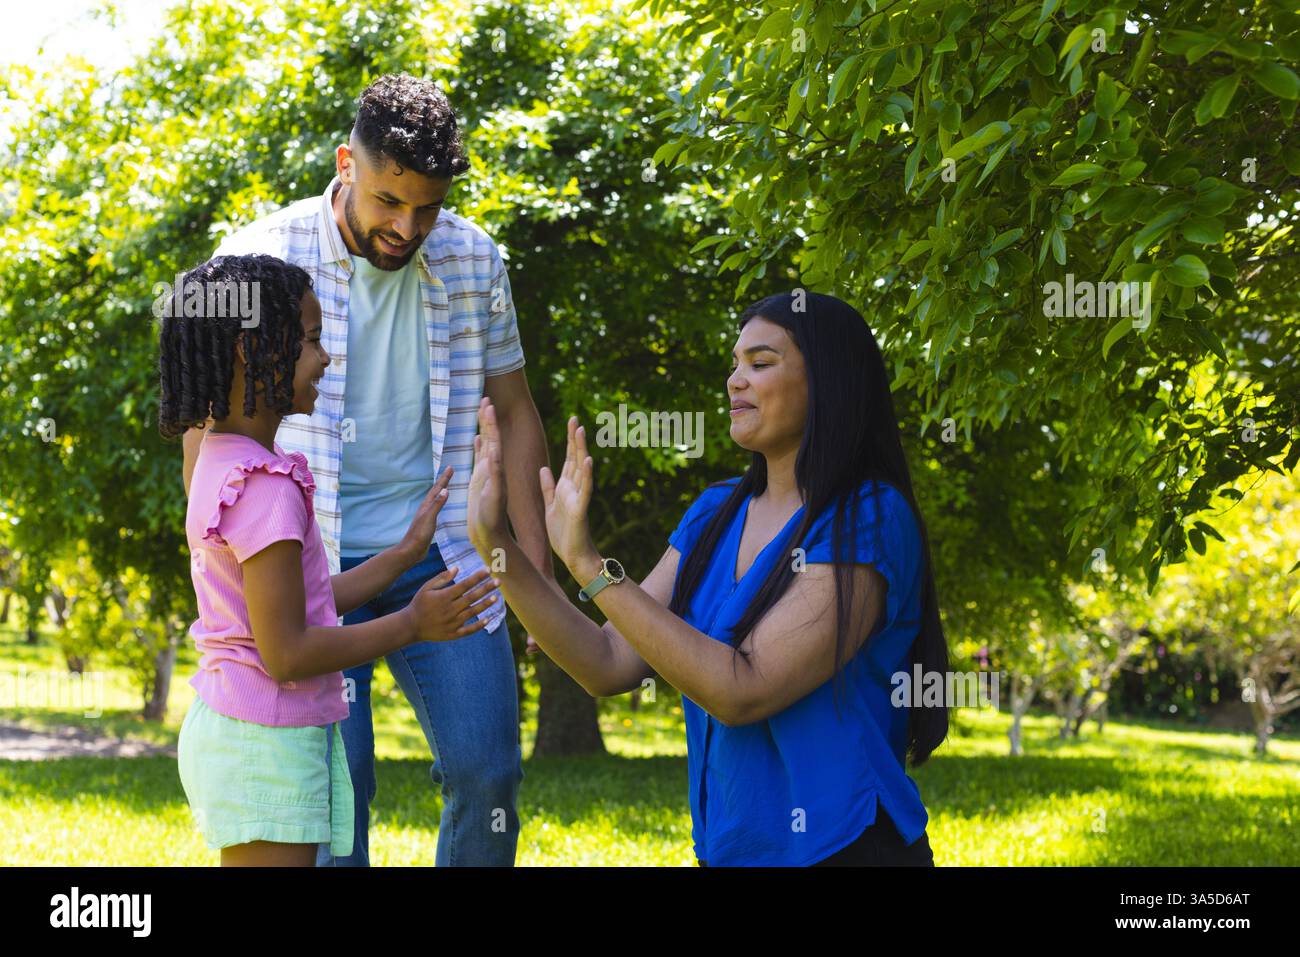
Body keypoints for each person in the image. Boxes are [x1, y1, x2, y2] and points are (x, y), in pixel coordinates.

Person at [180, 74, 553, 866]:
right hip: (300, 554)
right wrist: (219, 567)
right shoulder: (263, 258)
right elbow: (204, 420)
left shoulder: (475, 260)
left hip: (439, 550)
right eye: (390, 200)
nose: (407, 225)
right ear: (347, 163)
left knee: (489, 771)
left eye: (427, 207)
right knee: (338, 787)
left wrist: (541, 577)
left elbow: (517, 413)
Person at [466, 290, 949, 866]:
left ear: (830, 382)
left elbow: (742, 690)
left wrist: (588, 565)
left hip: (846, 847)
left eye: (761, 363)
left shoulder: (867, 517)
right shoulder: (714, 514)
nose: (735, 381)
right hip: (729, 850)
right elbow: (607, 660)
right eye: (734, 364)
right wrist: (496, 544)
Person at [159, 253, 498, 866]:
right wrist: (410, 625)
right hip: (264, 741)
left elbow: (305, 600)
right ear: (251, 351)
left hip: (244, 727)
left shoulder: (225, 459)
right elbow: (287, 651)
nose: (325, 358)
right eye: (312, 340)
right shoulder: (262, 489)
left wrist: (402, 556)